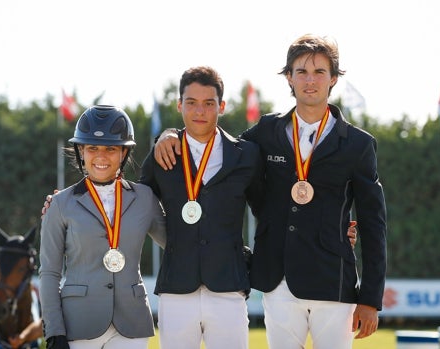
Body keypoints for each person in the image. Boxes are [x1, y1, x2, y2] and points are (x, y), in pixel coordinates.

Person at [153, 34, 387, 349]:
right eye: (301, 71)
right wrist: (170, 134)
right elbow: (214, 141)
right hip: (278, 282)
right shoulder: (266, 132)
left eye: (319, 72)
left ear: (333, 78)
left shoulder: (358, 144)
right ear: (288, 77)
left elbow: (374, 224)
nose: (310, 80)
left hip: (335, 280)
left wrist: (370, 298)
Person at [140, 66, 265, 349]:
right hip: (176, 288)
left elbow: (268, 212)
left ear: (221, 106)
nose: (199, 111)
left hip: (229, 287)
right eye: (191, 103)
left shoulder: (247, 155)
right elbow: (135, 203)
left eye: (209, 103)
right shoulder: (162, 152)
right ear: (179, 104)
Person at [39, 105, 166, 349]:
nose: (101, 156)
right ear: (81, 152)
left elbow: (176, 244)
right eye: (92, 148)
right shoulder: (59, 204)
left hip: (132, 323)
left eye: (111, 148)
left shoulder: (145, 198)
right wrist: (54, 331)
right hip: (79, 323)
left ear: (123, 153)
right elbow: (50, 273)